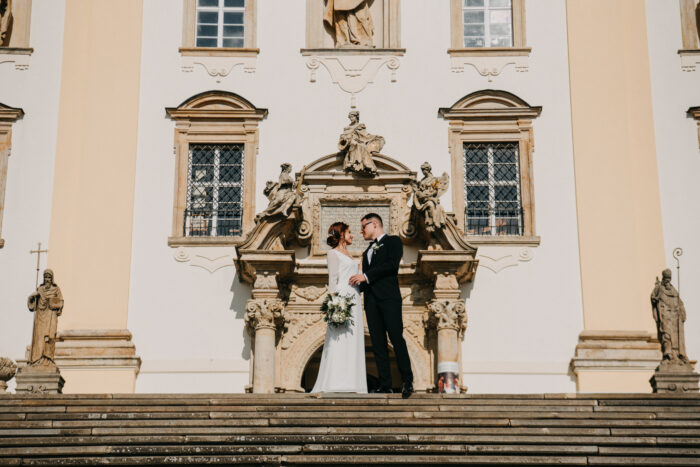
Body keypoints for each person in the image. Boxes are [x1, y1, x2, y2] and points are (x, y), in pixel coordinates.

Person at [349, 213, 414, 398]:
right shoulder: (366, 252)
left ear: (374, 224)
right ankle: (385, 383)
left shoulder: (393, 242)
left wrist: (366, 276)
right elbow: (362, 280)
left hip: (389, 299)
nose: (361, 231)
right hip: (371, 301)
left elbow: (391, 265)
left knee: (396, 338)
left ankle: (407, 381)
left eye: (364, 227)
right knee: (377, 343)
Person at [312, 222, 368, 393]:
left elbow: (357, 274)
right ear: (342, 234)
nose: (352, 235)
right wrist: (334, 304)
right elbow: (333, 280)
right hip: (342, 296)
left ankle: (353, 382)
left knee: (353, 338)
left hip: (355, 298)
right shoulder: (333, 254)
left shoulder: (351, 255)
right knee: (339, 338)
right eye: (349, 232)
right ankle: (336, 382)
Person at [27, 269, 64, 367]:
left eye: (49, 277)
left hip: (51, 316)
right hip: (40, 317)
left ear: (52, 279)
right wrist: (31, 297)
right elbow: (32, 307)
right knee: (39, 338)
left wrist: (56, 306)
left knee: (50, 338)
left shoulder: (56, 289)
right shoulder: (40, 289)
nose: (47, 279)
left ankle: (48, 358)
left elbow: (61, 302)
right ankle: (37, 359)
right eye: (45, 277)